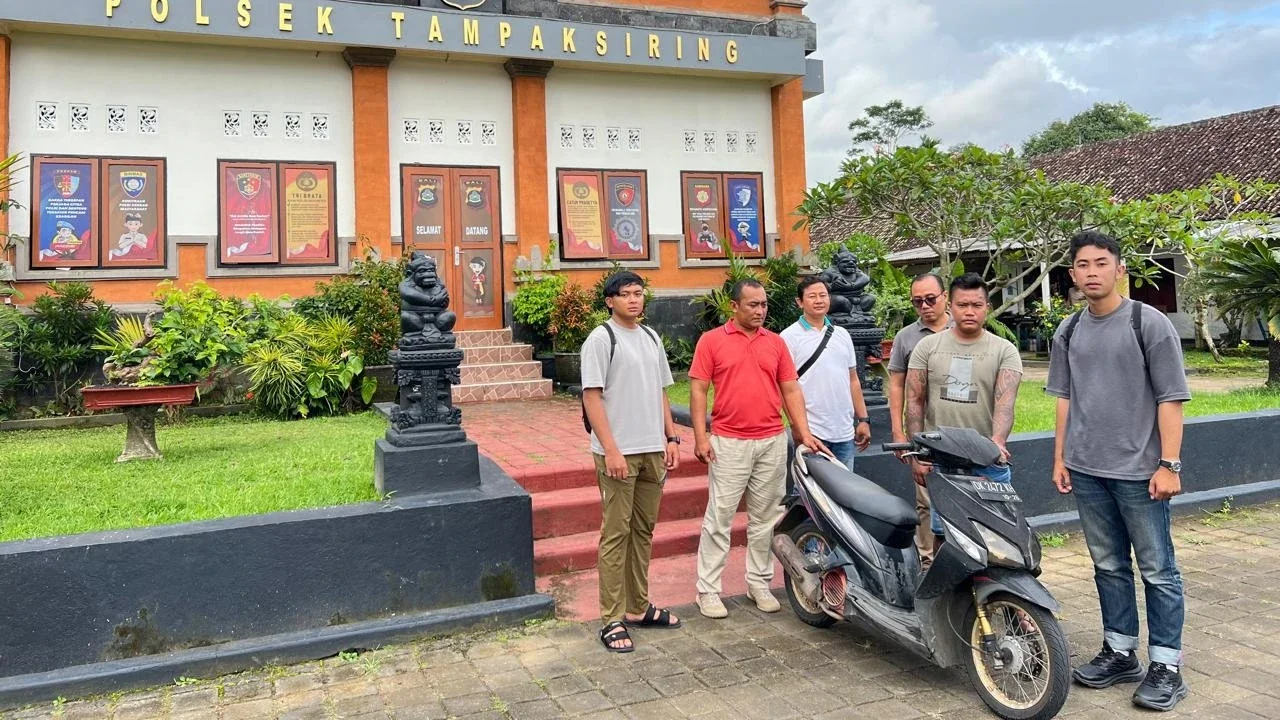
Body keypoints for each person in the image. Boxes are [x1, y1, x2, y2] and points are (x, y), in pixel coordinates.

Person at [1046, 231, 1191, 711]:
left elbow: (1171, 398)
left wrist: (1169, 464)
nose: (1092, 272)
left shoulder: (1147, 323)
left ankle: (1166, 665)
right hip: (1087, 470)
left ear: (1120, 268)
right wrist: (1060, 457)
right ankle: (1120, 650)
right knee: (1108, 566)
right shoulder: (1068, 330)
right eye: (1082, 265)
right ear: (1072, 274)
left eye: (1101, 263)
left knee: (1157, 569)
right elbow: (1066, 398)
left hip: (1140, 471)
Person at [689, 279, 828, 619]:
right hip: (729, 441)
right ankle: (707, 590)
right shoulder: (711, 342)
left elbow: (791, 390)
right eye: (753, 305)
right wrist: (700, 437)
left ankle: (759, 583)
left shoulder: (776, 343)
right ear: (733, 306)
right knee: (719, 518)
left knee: (766, 519)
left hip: (771, 440)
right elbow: (697, 390)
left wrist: (803, 433)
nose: (761, 311)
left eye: (763, 304)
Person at [580, 271, 682, 653]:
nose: (634, 301)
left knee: (643, 530)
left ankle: (638, 607)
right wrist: (611, 449)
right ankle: (611, 617)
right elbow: (592, 397)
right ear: (610, 301)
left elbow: (661, 392)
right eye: (626, 295)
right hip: (618, 451)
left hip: (652, 449)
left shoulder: (651, 337)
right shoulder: (601, 339)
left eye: (639, 294)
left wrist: (670, 437)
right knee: (616, 534)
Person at [905, 273, 1022, 537]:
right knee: (944, 535)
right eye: (962, 305)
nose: (969, 311)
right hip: (941, 459)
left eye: (976, 305)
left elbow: (1005, 403)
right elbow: (914, 402)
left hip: (987, 459)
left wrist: (997, 443)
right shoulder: (927, 347)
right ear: (950, 306)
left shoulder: (1005, 350)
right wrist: (918, 453)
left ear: (987, 308)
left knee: (998, 534)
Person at [887, 272, 953, 569]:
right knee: (926, 499)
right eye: (917, 302)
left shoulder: (962, 327)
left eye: (930, 299)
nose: (924, 306)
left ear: (945, 297)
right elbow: (896, 385)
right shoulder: (907, 337)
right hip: (924, 431)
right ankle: (928, 563)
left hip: (962, 427)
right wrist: (899, 431)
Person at [780, 276, 871, 469]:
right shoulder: (788, 337)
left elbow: (853, 380)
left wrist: (863, 419)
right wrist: (797, 428)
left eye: (823, 295)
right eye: (812, 296)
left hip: (844, 432)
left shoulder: (842, 334)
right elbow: (785, 388)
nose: (819, 300)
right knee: (811, 492)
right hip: (812, 431)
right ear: (800, 302)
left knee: (844, 491)